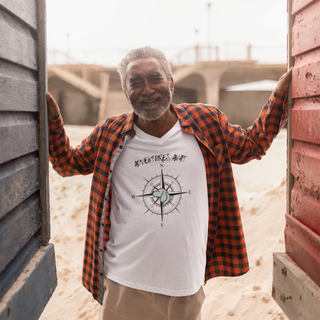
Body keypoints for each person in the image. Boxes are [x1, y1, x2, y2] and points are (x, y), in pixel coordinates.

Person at [47, 46, 292, 320]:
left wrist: (281, 92)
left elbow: (251, 144)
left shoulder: (206, 122)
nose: (148, 90)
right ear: (126, 91)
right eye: (136, 83)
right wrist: (52, 118)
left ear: (171, 82)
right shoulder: (110, 134)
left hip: (185, 283)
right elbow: (67, 163)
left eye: (155, 78)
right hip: (124, 282)